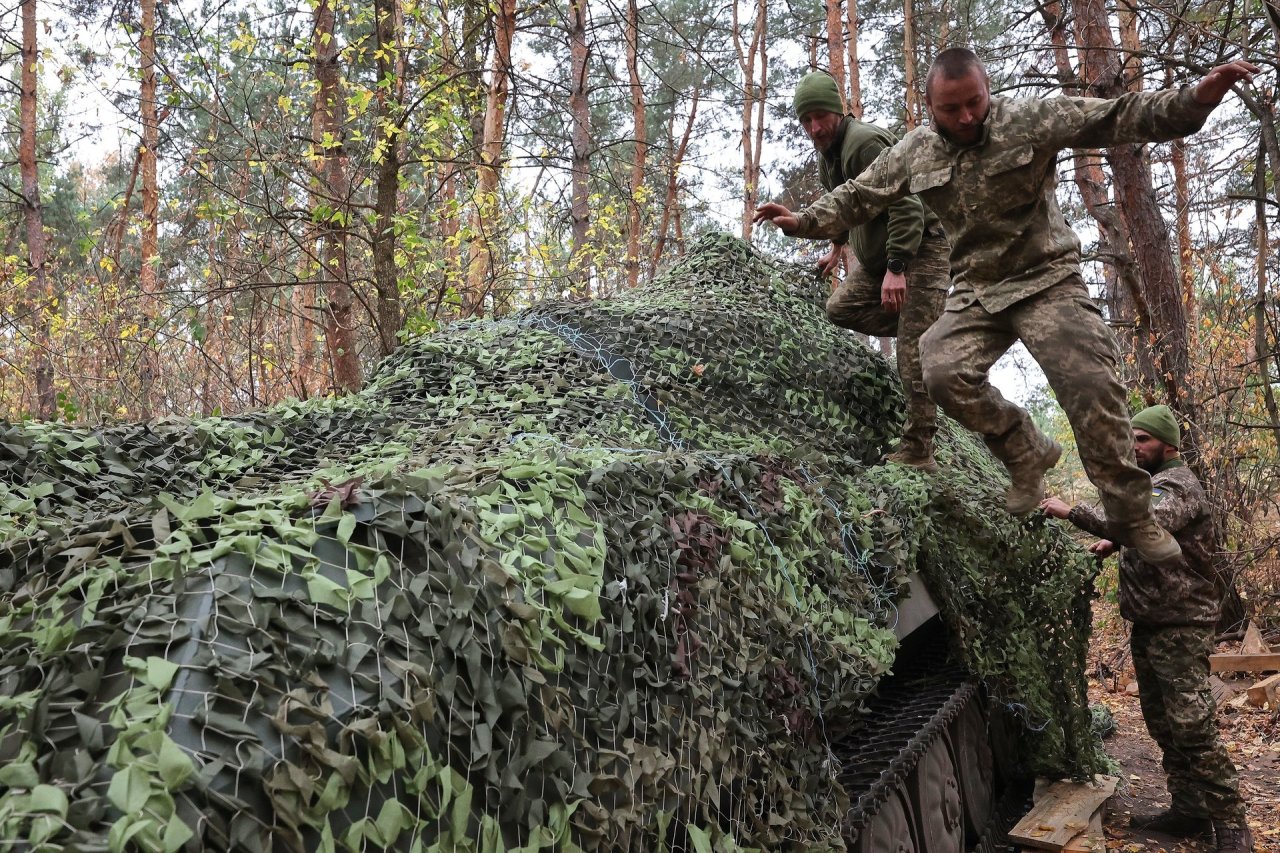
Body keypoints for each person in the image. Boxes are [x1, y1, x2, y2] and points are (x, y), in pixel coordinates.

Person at [753, 47, 1261, 566]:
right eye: (952, 109)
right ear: (929, 106)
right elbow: (861, 195)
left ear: (987, 90)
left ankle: (1132, 514)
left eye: (975, 102)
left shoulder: (1030, 118)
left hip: (1046, 279)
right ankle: (1025, 450)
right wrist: (803, 222)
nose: (967, 117)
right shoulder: (915, 151)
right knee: (939, 367)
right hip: (978, 288)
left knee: (1091, 385)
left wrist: (1194, 99)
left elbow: (1117, 116)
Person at [1040, 406, 1252, 853]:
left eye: (1142, 440)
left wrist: (1072, 511)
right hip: (1151, 622)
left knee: (1192, 725)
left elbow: (1147, 524)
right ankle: (1190, 808)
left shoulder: (1179, 483)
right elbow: (1138, 527)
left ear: (1167, 444)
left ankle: (1232, 824)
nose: (1135, 448)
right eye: (1132, 439)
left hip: (1182, 623)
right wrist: (1112, 541)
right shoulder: (1153, 484)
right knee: (1162, 723)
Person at [791, 71, 951, 471]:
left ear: (838, 110)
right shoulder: (829, 153)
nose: (815, 127)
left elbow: (906, 204)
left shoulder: (863, 143)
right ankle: (926, 325)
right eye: (806, 120)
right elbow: (847, 204)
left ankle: (919, 450)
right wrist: (836, 246)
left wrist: (897, 268)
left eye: (821, 116)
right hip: (879, 259)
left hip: (918, 251)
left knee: (911, 355)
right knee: (839, 308)